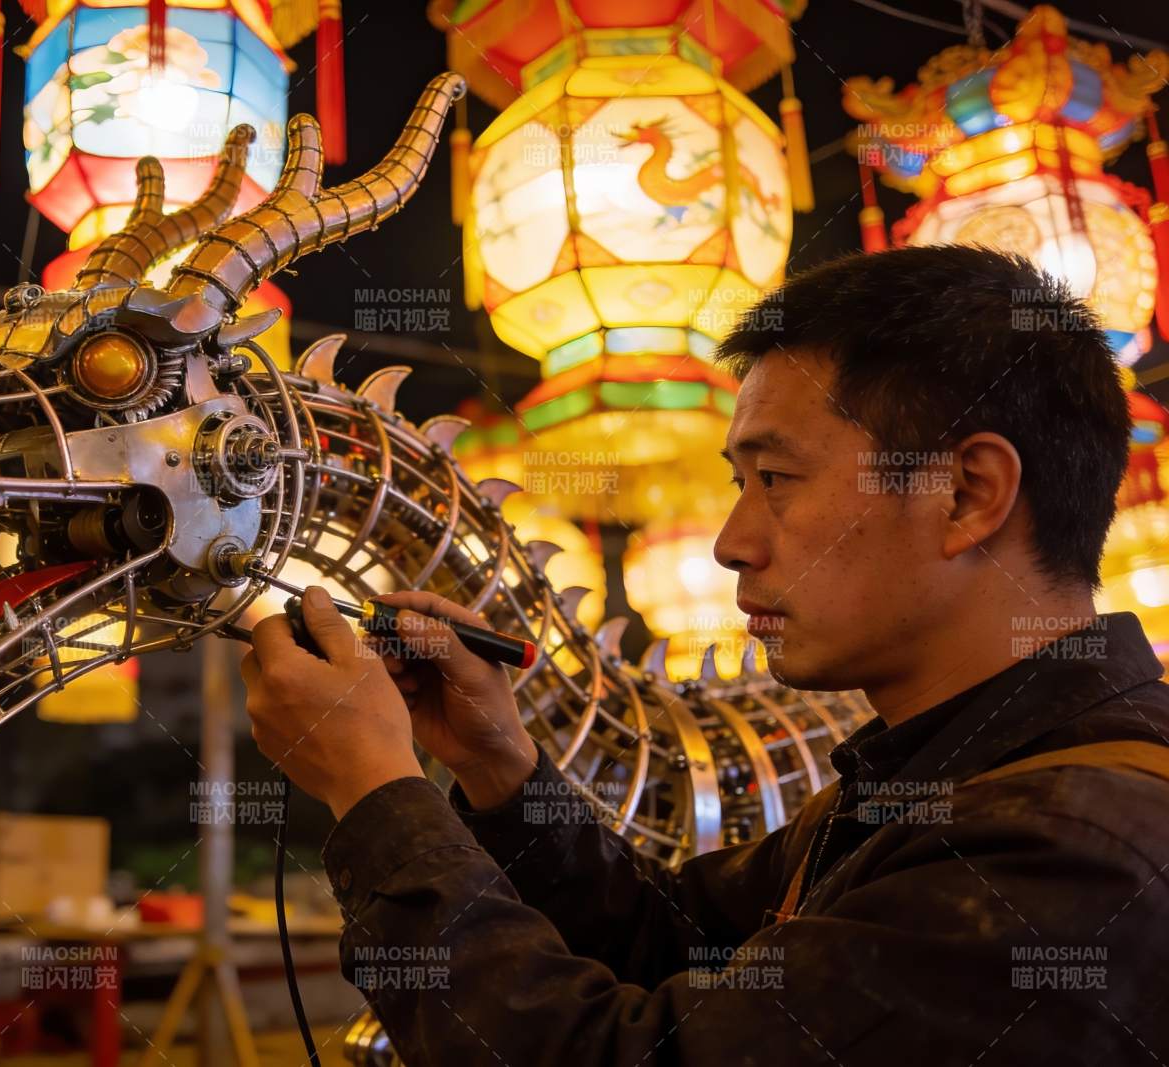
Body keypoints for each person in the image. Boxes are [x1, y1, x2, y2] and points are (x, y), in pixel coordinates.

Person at [239, 246, 1169, 1064]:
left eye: (776, 479)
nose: (730, 541)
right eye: (738, 483)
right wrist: (498, 762)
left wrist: (376, 795)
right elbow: (669, 942)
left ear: (967, 493)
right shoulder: (933, 779)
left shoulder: (1070, 847)